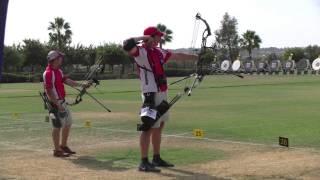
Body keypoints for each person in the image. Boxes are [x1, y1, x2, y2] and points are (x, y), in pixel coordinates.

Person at [123, 27, 174, 172]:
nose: (160, 39)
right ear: (151, 37)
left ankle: (156, 158)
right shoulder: (140, 51)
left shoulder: (157, 51)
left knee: (160, 124)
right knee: (148, 126)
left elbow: (175, 55)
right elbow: (126, 45)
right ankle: (143, 161)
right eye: (158, 36)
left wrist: (197, 57)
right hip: (150, 94)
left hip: (162, 91)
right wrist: (144, 38)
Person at [43, 50, 90, 157]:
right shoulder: (48, 73)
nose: (61, 59)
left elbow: (67, 81)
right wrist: (57, 104)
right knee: (57, 126)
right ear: (54, 60)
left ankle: (63, 146)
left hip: (62, 102)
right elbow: (49, 91)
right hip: (54, 103)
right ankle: (57, 150)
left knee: (68, 123)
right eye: (60, 57)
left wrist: (81, 85)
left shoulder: (59, 71)